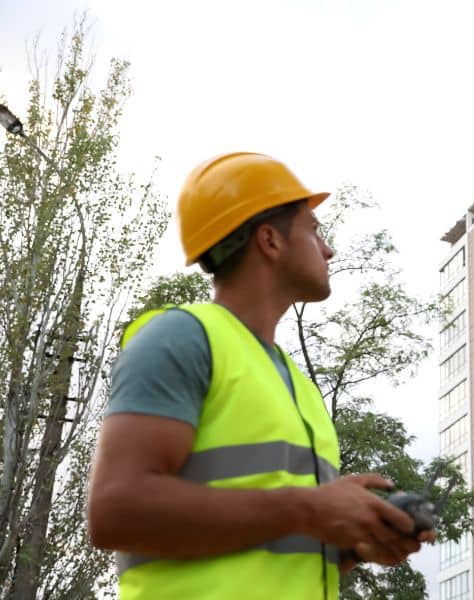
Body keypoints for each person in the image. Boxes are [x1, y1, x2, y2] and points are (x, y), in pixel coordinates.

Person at [87, 152, 430, 599]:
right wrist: (309, 508)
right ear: (270, 240)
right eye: (314, 230)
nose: (328, 249)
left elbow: (270, 544)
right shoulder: (181, 339)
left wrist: (357, 544)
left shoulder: (297, 384)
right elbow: (116, 512)